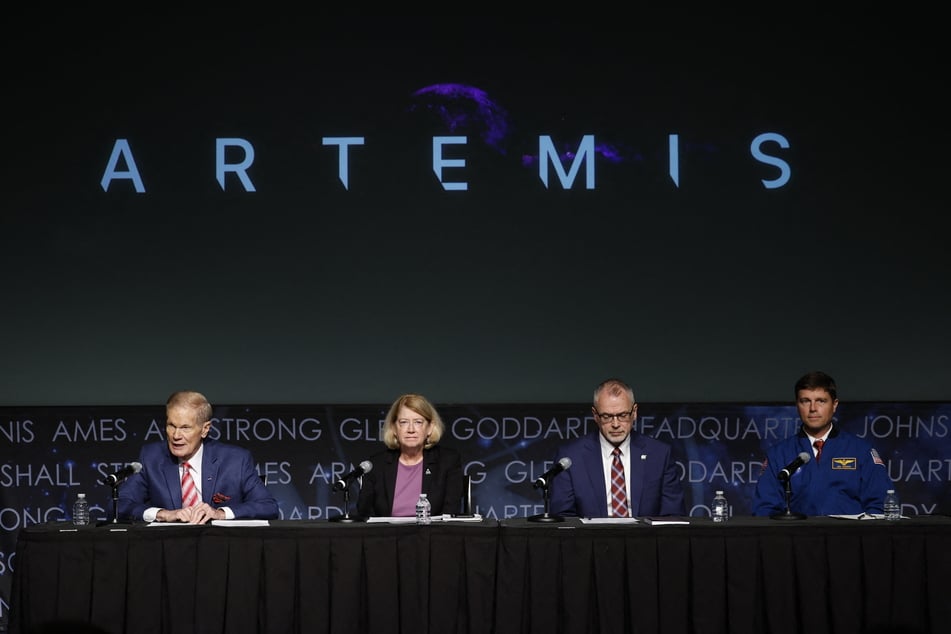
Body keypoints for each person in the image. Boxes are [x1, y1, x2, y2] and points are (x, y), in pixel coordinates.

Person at [118, 390, 279, 523]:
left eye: (185, 427)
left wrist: (220, 513)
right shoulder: (152, 457)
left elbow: (268, 506)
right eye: (171, 425)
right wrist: (163, 514)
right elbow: (119, 506)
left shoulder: (236, 460)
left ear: (205, 429)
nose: (176, 435)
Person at [752, 371, 894, 517]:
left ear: (834, 405)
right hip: (796, 538)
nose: (813, 408)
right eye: (805, 401)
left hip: (849, 537)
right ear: (797, 405)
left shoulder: (861, 451)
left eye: (821, 401)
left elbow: (881, 506)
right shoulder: (779, 454)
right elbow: (764, 510)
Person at [549, 378, 685, 517]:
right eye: (607, 416)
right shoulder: (571, 456)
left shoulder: (660, 454)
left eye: (622, 415)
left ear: (634, 412)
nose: (615, 424)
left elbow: (673, 516)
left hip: (646, 538)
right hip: (590, 538)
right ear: (595, 415)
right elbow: (563, 519)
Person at [357, 393, 464, 517]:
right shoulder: (376, 464)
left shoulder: (448, 461)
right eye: (403, 422)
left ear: (430, 428)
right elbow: (364, 513)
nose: (411, 429)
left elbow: (450, 512)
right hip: (388, 534)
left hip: (432, 534)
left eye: (418, 422)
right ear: (394, 428)